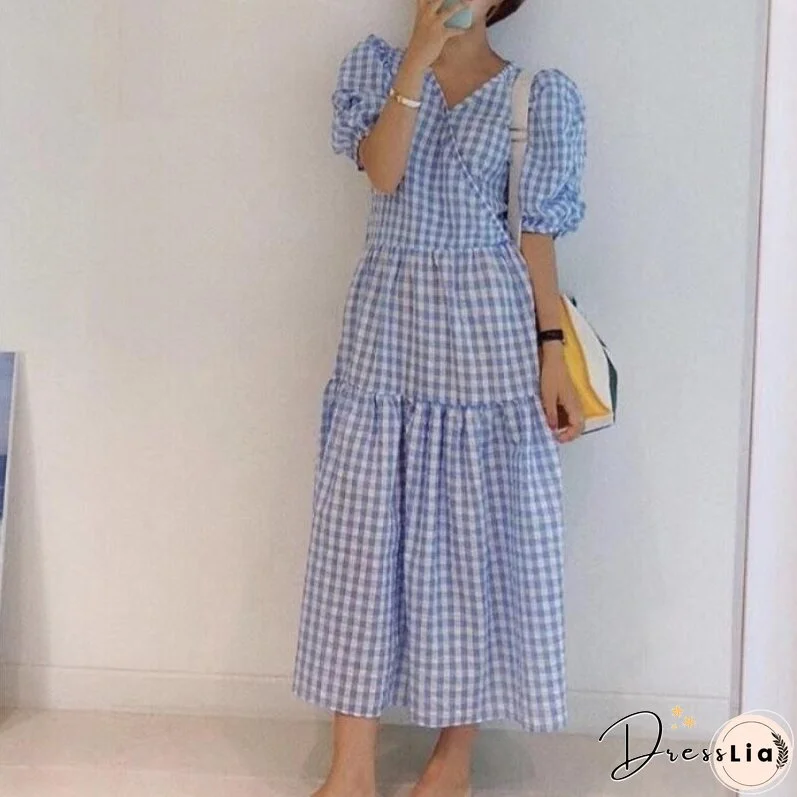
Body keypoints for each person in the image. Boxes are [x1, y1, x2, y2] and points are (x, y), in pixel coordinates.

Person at [292, 0, 587, 794]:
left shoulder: (534, 94)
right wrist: (417, 60)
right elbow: (384, 173)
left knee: (478, 532)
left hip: (489, 330)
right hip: (387, 326)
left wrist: (552, 351)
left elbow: (535, 240)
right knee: (359, 538)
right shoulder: (374, 68)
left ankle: (451, 761)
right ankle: (350, 766)